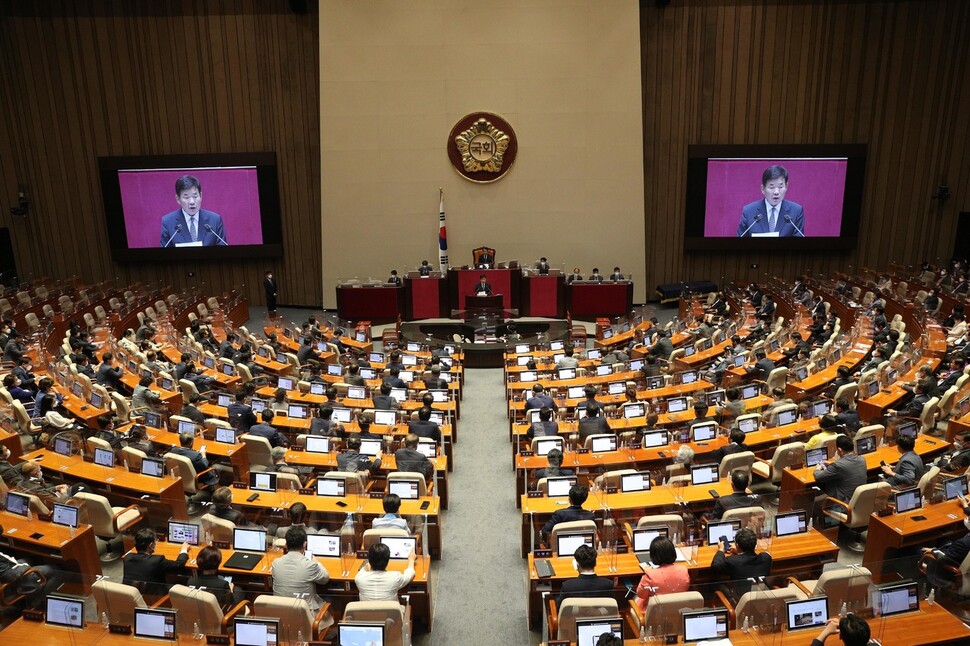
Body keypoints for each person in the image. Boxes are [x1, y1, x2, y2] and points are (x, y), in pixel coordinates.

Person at [736, 165, 805, 237]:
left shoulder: (796, 211)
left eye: (780, 187)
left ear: (786, 187)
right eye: (771, 187)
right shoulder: (749, 212)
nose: (776, 192)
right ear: (763, 189)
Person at [272, 526, 330, 611]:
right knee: (329, 599)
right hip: (305, 616)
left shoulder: (275, 563)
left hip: (280, 613)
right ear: (304, 544)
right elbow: (325, 579)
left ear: (286, 545)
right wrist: (316, 562)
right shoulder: (310, 565)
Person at [159, 175, 227, 247]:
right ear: (178, 199)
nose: (192, 202)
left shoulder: (215, 220)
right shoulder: (168, 222)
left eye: (195, 196)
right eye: (186, 197)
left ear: (200, 196)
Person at [123, 528, 189, 597]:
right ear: (151, 545)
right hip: (154, 600)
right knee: (179, 583)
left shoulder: (128, 558)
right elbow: (179, 565)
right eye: (155, 541)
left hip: (132, 598)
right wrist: (184, 550)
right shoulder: (157, 560)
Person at [711, 527, 772, 598]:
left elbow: (716, 565)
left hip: (741, 600)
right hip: (764, 599)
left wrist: (721, 549)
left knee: (716, 585)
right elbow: (752, 556)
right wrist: (740, 552)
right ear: (755, 544)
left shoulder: (732, 561)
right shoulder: (766, 558)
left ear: (737, 545)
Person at [634, 536, 690, 612]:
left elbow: (641, 594)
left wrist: (648, 572)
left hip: (654, 614)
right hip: (677, 611)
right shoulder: (684, 570)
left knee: (635, 598)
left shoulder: (650, 575)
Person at [814, 434, 867, 503]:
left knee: (815, 503)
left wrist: (817, 469)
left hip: (843, 504)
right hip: (859, 500)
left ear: (839, 450)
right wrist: (831, 464)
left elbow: (818, 477)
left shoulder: (838, 465)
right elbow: (847, 467)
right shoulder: (862, 459)